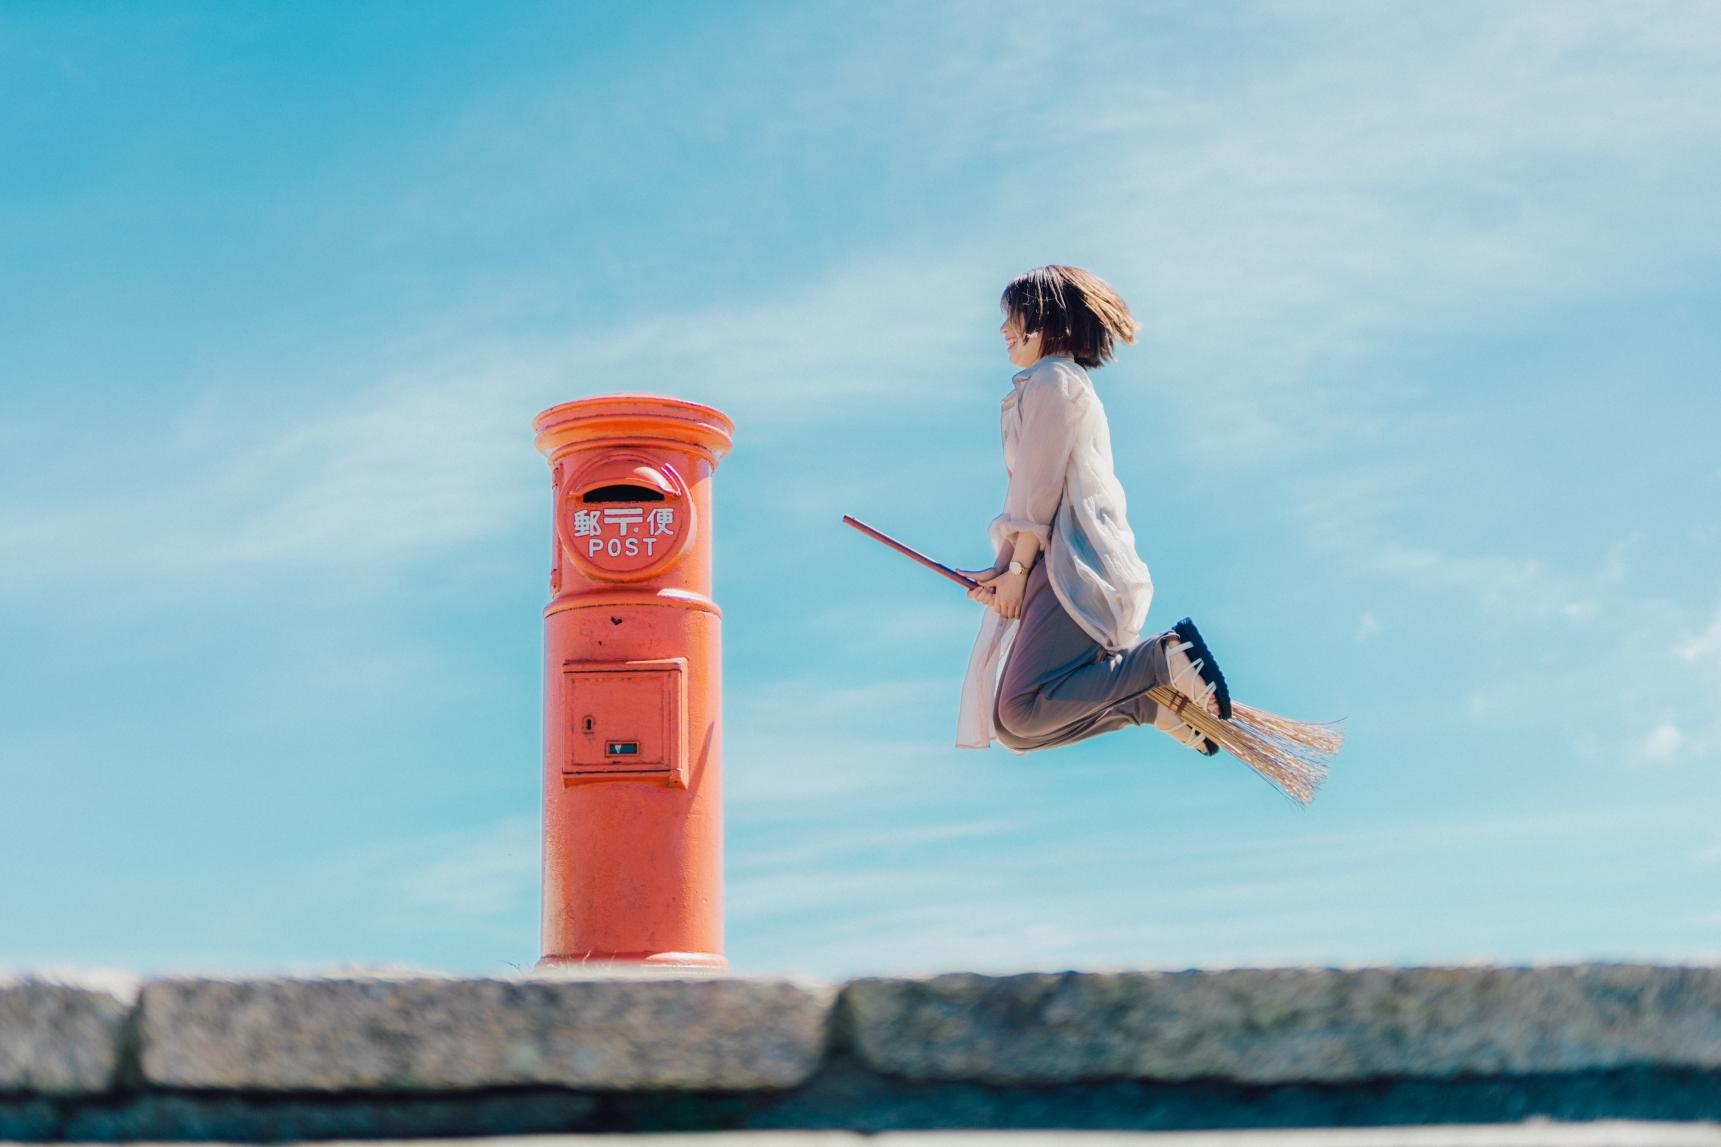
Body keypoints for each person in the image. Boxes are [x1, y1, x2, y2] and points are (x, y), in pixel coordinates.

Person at [952, 265, 1227, 756]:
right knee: (1016, 729)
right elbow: (1029, 496)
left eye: (1012, 317)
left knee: (1019, 712)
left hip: (1072, 566)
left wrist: (1015, 569)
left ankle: (1161, 661)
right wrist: (1002, 573)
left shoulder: (1054, 380)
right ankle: (1151, 703)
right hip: (1050, 565)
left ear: (1042, 318)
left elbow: (1039, 487)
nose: (1003, 331)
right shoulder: (1045, 384)